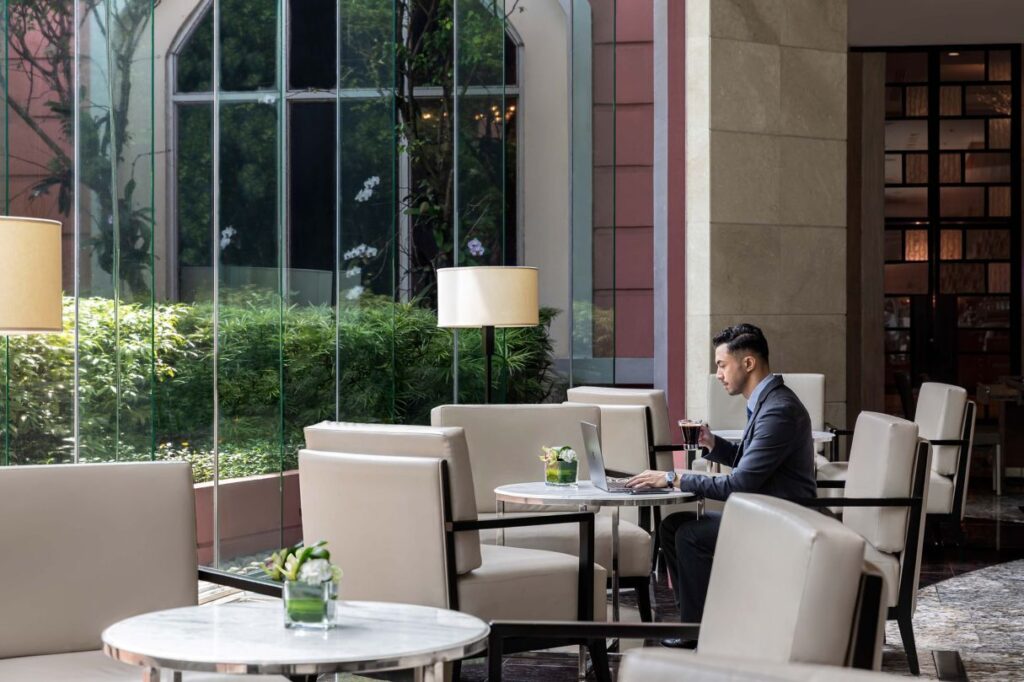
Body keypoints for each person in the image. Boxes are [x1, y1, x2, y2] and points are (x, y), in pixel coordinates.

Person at [626, 323, 817, 648]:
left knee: (690, 535)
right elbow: (753, 466)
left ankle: (702, 633)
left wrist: (674, 477)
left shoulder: (780, 411)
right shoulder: (768, 402)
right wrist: (715, 444)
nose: (718, 374)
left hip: (783, 524)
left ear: (748, 363)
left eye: (721, 364)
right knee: (674, 527)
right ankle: (695, 624)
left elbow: (740, 483)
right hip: (768, 515)